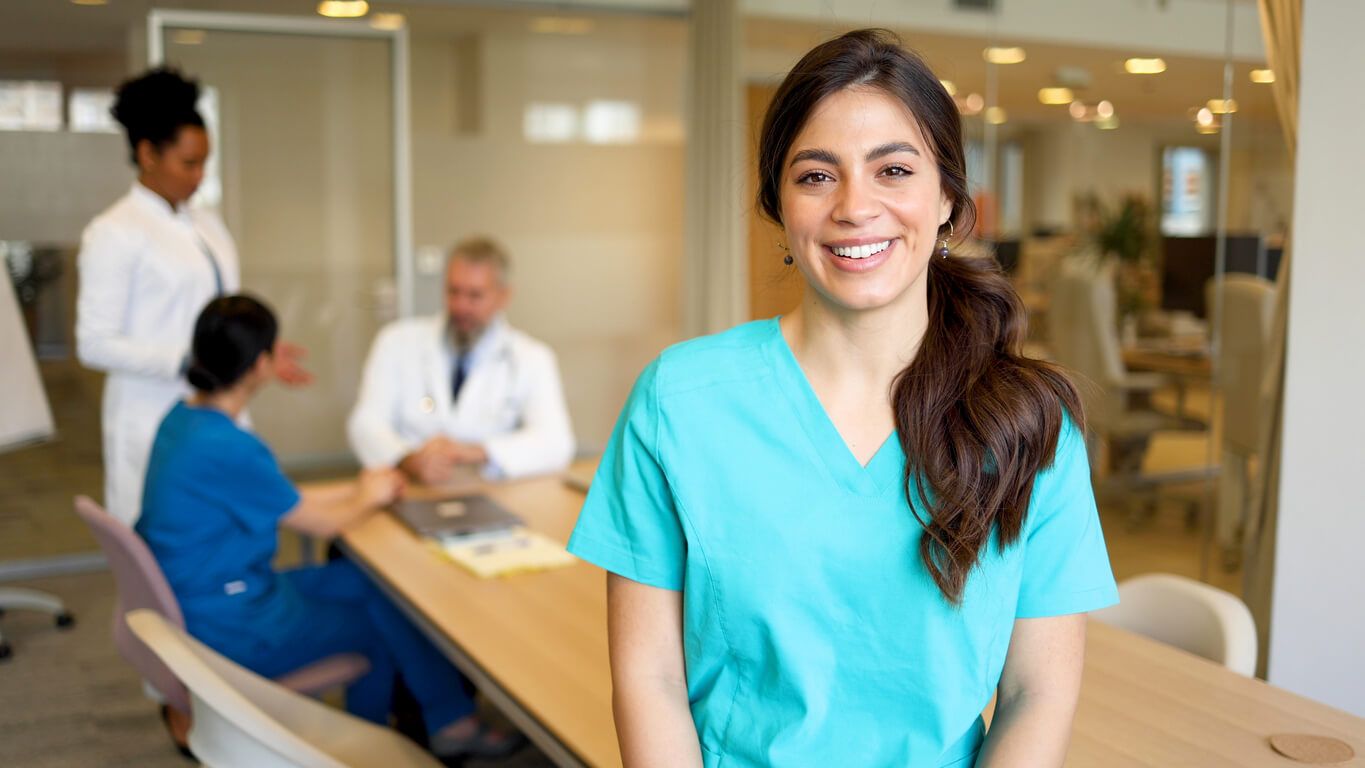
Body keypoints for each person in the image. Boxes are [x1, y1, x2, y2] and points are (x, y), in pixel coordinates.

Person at [566, 29, 1118, 767]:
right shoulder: (681, 402)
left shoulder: (1027, 424)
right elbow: (650, 677)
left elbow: (1035, 695)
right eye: (816, 176)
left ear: (948, 197)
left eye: (892, 169)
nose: (856, 207)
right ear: (780, 207)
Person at [137, 294, 521, 761]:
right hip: (233, 623)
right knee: (378, 628)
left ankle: (450, 720)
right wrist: (367, 498)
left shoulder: (182, 422)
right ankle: (366, 753)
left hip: (207, 598)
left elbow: (282, 501)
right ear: (261, 365)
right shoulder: (229, 446)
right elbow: (319, 525)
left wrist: (360, 488)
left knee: (370, 585)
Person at [76, 67, 308, 525]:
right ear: (147, 154)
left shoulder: (206, 222)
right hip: (153, 415)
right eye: (188, 163)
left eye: (206, 162)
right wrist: (190, 361)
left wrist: (253, 353)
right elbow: (94, 343)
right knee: (163, 550)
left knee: (226, 536)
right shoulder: (114, 232)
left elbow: (221, 311)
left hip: (221, 415)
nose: (200, 177)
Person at [348, 236, 574, 484]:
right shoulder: (396, 342)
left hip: (491, 492)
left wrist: (475, 452)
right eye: (453, 291)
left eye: (475, 296)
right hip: (410, 488)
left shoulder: (532, 357)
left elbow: (557, 443)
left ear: (504, 296)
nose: (460, 306)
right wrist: (408, 459)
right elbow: (365, 425)